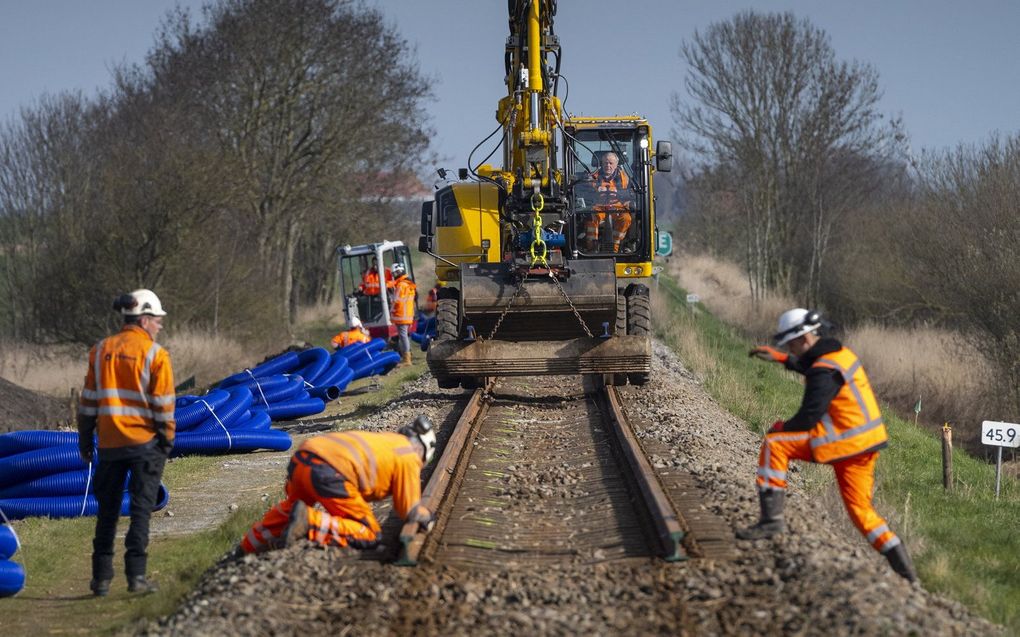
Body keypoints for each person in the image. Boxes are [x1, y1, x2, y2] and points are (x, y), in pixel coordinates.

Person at [740, 308, 918, 583]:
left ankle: (770, 521)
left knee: (775, 444)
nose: (789, 348)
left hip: (840, 443)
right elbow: (811, 365)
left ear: (803, 338)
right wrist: (783, 360)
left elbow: (808, 417)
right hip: (865, 447)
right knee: (862, 513)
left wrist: (781, 428)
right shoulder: (839, 356)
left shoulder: (823, 370)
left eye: (790, 344)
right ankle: (908, 575)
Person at [77, 289, 175, 597]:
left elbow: (88, 403)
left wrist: (85, 440)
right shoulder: (155, 355)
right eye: (157, 320)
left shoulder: (100, 350)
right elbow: (163, 406)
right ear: (145, 320)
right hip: (145, 445)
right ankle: (136, 577)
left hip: (109, 446)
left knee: (107, 513)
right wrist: (167, 440)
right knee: (141, 511)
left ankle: (101, 579)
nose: (159, 325)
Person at [239, 416, 438, 555]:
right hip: (329, 472)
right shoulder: (409, 455)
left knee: (291, 507)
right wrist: (428, 517)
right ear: (424, 450)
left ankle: (249, 545)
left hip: (301, 460)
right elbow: (409, 510)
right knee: (369, 533)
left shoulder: (389, 441)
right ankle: (310, 522)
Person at [583, 151, 634, 253]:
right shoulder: (592, 177)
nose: (608, 165)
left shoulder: (625, 178)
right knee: (591, 217)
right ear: (601, 163)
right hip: (598, 208)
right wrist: (596, 190)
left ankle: (615, 247)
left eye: (611, 163)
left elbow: (632, 192)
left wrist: (618, 192)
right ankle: (592, 248)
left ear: (616, 164)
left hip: (617, 208)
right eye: (606, 163)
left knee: (626, 218)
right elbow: (584, 193)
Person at [389, 262, 417, 367]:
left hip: (401, 315)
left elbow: (397, 301)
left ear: (398, 272)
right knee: (404, 336)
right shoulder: (409, 284)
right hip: (407, 315)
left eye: (394, 273)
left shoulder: (401, 285)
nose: (393, 276)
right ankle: (406, 357)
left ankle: (407, 359)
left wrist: (391, 311)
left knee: (403, 336)